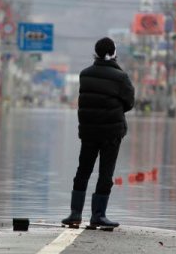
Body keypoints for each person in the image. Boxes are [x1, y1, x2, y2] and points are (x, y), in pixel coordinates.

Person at [61, 37, 135, 229]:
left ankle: (75, 214)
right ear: (114, 53)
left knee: (83, 170)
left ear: (95, 53)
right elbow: (129, 103)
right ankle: (98, 215)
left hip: (89, 131)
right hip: (112, 132)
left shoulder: (85, 74)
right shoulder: (121, 77)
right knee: (105, 173)